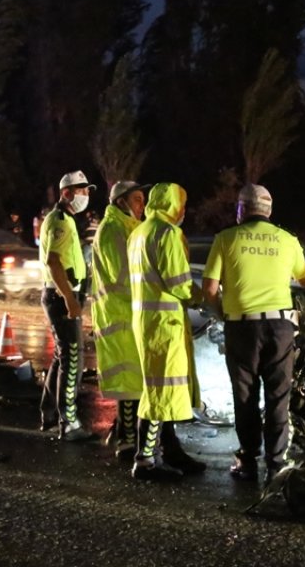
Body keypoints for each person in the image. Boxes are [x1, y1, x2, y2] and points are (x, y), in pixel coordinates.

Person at [202, 184, 305, 484]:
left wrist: (222, 314)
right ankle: (276, 464)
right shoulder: (287, 240)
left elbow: (210, 290)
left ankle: (248, 460)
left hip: (242, 326)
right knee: (278, 395)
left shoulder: (226, 239)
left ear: (241, 209)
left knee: (245, 395)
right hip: (280, 327)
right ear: (269, 210)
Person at [128, 183, 205, 481]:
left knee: (157, 388)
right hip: (164, 323)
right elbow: (178, 283)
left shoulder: (140, 232)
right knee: (159, 391)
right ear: (172, 205)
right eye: (181, 204)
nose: (184, 211)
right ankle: (146, 460)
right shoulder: (167, 233)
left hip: (147, 321)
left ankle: (165, 452)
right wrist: (203, 298)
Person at [91, 180, 148, 459]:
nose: (142, 205)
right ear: (121, 202)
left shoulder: (127, 227)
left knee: (134, 378)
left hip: (128, 313)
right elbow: (124, 275)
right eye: (137, 199)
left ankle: (125, 431)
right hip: (119, 315)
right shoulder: (113, 229)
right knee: (128, 381)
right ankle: (127, 440)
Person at [38, 171, 95, 442]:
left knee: (62, 357)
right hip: (63, 297)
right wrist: (70, 300)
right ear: (67, 193)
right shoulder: (60, 221)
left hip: (62, 295)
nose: (86, 195)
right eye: (82, 190)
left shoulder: (65, 220)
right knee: (72, 360)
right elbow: (53, 261)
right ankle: (68, 422)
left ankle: (50, 414)